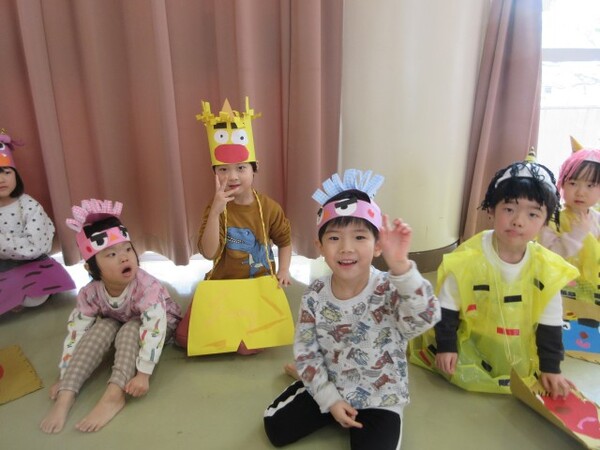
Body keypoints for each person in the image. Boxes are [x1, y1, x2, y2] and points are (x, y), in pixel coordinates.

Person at [263, 169, 440, 449]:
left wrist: (402, 268)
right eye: (334, 238)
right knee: (276, 428)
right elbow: (307, 351)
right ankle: (306, 379)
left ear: (378, 245)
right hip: (332, 383)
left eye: (359, 237)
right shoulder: (315, 294)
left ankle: (307, 379)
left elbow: (426, 317)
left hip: (380, 398)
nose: (346, 248)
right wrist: (330, 399)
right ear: (320, 246)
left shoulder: (390, 287)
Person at [409, 152, 579, 398]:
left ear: (545, 221)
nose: (518, 221)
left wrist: (551, 368)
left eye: (532, 214)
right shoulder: (468, 258)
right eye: (509, 209)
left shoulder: (546, 268)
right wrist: (446, 347)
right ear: (491, 210)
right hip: (470, 342)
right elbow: (447, 308)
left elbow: (550, 323)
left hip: (517, 350)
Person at [40, 199, 181, 434]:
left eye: (128, 250)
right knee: (102, 327)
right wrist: (64, 373)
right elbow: (76, 333)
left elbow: (154, 330)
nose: (124, 258)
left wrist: (143, 375)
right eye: (111, 254)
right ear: (91, 268)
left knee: (130, 329)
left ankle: (114, 395)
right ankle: (67, 393)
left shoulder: (147, 287)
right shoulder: (91, 293)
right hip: (120, 318)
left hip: (159, 324)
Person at [174, 97, 292, 354]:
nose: (233, 176)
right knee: (183, 338)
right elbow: (209, 253)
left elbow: (284, 241)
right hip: (222, 284)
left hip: (257, 286)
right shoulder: (215, 207)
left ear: (254, 169)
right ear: (215, 173)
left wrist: (284, 270)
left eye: (241, 168)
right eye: (223, 170)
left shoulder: (269, 207)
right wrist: (216, 212)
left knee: (246, 348)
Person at [0, 129, 74, 315]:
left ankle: (17, 296)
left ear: (15, 175)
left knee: (34, 298)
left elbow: (36, 245)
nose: (1, 179)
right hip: (3, 267)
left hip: (31, 263)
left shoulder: (28, 205)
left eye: (6, 172)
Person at [538, 137, 600, 305]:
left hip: (591, 293)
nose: (580, 192)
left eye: (590, 185)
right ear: (562, 184)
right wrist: (576, 234)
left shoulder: (597, 220)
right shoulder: (552, 218)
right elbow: (549, 256)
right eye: (573, 183)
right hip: (559, 292)